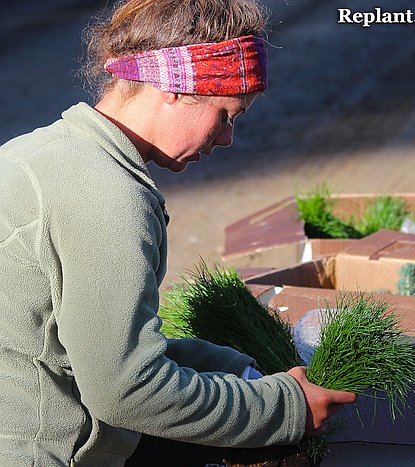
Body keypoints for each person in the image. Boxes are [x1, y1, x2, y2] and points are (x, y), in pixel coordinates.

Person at [0, 0, 356, 465]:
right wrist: (286, 407)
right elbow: (126, 389)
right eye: (227, 114)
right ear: (173, 86)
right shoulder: (107, 197)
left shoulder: (38, 152)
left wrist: (237, 368)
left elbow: (81, 342)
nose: (227, 138)